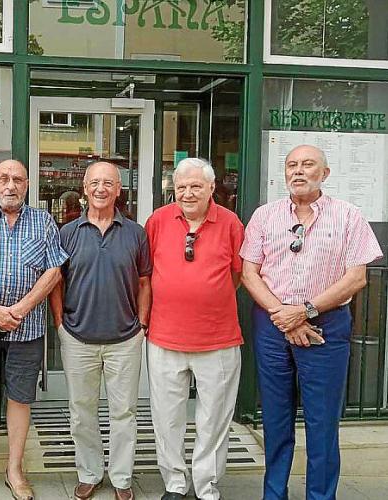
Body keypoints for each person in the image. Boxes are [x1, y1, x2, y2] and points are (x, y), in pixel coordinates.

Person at [240, 144, 382, 500]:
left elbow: (356, 278)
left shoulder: (348, 216)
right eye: (292, 165)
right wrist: (284, 315)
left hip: (326, 325)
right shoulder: (265, 216)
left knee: (322, 422)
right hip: (272, 324)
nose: (298, 171)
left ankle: (320, 496)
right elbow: (249, 273)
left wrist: (304, 312)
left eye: (307, 164)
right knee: (275, 419)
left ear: (325, 173)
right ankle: (274, 494)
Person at [0, 159, 68, 500]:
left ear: (27, 185)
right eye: (3, 179)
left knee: (20, 399)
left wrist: (20, 309)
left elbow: (54, 272)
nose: (10, 185)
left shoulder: (44, 221)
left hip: (26, 327)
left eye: (17, 179)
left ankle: (14, 470)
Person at [49, 161, 151, 500]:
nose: (100, 188)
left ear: (118, 189)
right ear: (84, 188)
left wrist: (142, 324)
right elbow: (56, 282)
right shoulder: (67, 233)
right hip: (78, 337)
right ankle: (89, 473)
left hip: (125, 338)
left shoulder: (136, 233)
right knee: (82, 412)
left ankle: (122, 478)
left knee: (125, 412)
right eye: (94, 182)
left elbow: (144, 282)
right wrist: (60, 323)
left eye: (108, 182)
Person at [145, 158, 244, 500]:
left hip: (218, 339)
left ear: (212, 188)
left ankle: (206, 486)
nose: (187, 193)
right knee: (166, 417)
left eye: (196, 187)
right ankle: (174, 483)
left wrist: (207, 297)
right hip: (164, 337)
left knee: (214, 419)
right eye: (181, 187)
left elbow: (238, 274)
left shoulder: (230, 223)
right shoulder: (158, 221)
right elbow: (147, 272)